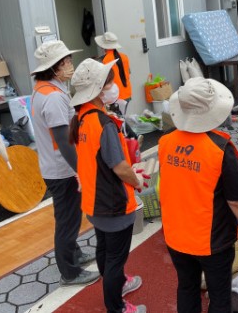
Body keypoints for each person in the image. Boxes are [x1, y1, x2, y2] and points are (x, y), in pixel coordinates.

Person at [158, 77, 238, 313]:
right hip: (212, 241)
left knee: (187, 287)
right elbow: (236, 201)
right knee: (219, 296)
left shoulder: (166, 142)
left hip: (176, 234)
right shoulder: (221, 149)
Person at [70, 58, 147, 313]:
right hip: (113, 203)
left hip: (94, 200)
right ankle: (117, 306)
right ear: (98, 90)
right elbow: (119, 167)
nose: (114, 86)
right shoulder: (103, 124)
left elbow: (99, 161)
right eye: (110, 82)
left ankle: (115, 286)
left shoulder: (82, 118)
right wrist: (136, 182)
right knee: (116, 258)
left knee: (104, 249)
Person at [31, 40, 99, 287]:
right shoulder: (53, 98)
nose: (71, 65)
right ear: (55, 67)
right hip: (61, 169)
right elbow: (63, 140)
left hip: (53, 166)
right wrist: (81, 170)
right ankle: (69, 272)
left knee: (69, 217)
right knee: (67, 221)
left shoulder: (42, 88)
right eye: (67, 61)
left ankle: (75, 254)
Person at [95, 32, 132, 103]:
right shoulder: (124, 57)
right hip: (127, 93)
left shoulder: (103, 60)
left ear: (102, 46)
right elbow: (128, 74)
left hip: (113, 96)